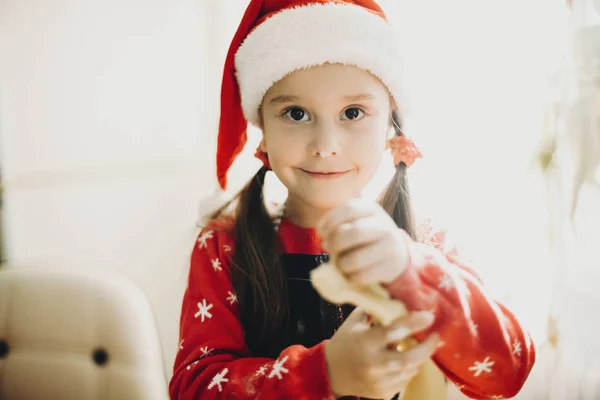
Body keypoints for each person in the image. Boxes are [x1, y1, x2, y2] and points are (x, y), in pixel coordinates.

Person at [169, 1, 536, 399]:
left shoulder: (425, 244)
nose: (326, 146)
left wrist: (410, 271)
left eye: (353, 112)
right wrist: (323, 374)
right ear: (263, 131)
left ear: (390, 125)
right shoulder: (225, 247)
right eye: (295, 114)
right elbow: (195, 388)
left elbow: (507, 374)